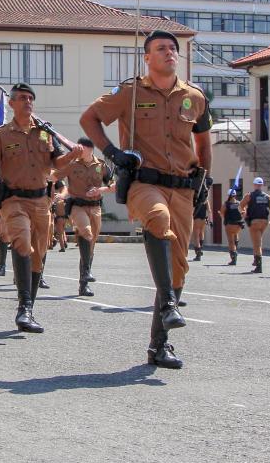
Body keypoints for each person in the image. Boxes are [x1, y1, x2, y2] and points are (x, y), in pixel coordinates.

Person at [80, 29, 212, 369]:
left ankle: (158, 345)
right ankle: (168, 302)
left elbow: (203, 145)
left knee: (179, 267)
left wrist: (203, 187)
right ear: (147, 58)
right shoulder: (130, 92)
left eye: (172, 48)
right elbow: (89, 118)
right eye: (160, 48)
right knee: (157, 218)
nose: (168, 53)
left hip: (183, 187)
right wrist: (112, 153)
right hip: (142, 182)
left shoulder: (195, 97)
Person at [0, 82, 81, 332]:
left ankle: (29, 308)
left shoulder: (45, 132)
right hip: (14, 200)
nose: (28, 102)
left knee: (39, 255)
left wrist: (73, 155)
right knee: (22, 241)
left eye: (31, 98)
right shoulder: (1, 135)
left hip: (41, 201)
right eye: (22, 98)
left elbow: (56, 162)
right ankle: (23, 308)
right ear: (11, 104)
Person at [57, 137, 115, 296]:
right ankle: (87, 273)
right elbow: (54, 176)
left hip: (95, 207)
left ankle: (83, 284)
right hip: (77, 206)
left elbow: (112, 185)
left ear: (89, 149)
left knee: (91, 245)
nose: (77, 151)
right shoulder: (72, 165)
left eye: (81, 148)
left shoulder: (101, 165)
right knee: (86, 232)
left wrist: (100, 190)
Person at [239, 177, 270, 273]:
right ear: (262, 185)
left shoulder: (249, 195)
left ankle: (258, 266)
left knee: (257, 244)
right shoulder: (267, 197)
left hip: (254, 222)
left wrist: (244, 214)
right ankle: (256, 261)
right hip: (264, 222)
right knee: (258, 241)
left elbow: (240, 206)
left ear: (254, 185)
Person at [220, 189, 244, 266]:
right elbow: (243, 212)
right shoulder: (239, 203)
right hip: (238, 224)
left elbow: (222, 213)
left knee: (231, 241)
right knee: (236, 236)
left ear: (228, 195)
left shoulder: (226, 204)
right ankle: (236, 248)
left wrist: (224, 218)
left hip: (229, 224)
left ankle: (234, 258)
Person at [190, 192, 210, 262]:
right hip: (203, 218)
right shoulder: (206, 200)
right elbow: (209, 211)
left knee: (196, 236)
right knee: (201, 233)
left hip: (197, 218)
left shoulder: (195, 200)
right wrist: (210, 220)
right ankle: (200, 247)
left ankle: (198, 253)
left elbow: (192, 210)